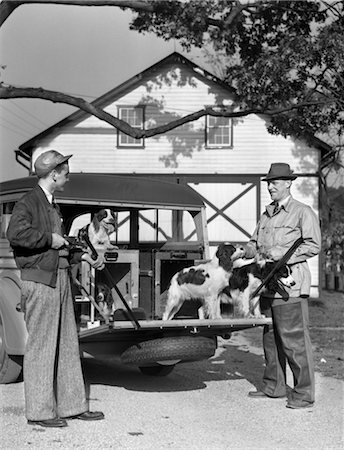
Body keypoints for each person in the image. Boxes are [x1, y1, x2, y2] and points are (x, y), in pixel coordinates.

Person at [7, 150, 106, 428]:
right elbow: (16, 235)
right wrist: (49, 239)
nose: (68, 175)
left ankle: (73, 406)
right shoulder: (29, 202)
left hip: (59, 278)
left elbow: (60, 247)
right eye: (65, 171)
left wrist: (82, 256)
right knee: (41, 345)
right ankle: (39, 412)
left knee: (67, 343)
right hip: (40, 281)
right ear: (54, 174)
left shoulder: (52, 204)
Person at [243, 162, 321, 409]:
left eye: (275, 182)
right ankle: (273, 386)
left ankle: (304, 393)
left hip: (291, 287)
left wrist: (280, 253)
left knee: (294, 341)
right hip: (267, 287)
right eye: (268, 182)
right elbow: (255, 243)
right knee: (270, 340)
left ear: (288, 183)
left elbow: (313, 245)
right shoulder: (266, 214)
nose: (270, 187)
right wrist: (242, 250)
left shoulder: (302, 212)